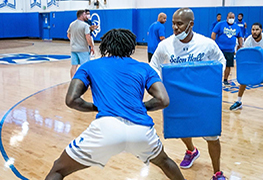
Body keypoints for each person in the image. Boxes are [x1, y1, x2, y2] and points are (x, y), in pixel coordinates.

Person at [45, 29, 185, 180]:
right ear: (131, 47)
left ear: (105, 46)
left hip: (106, 128)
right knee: (165, 162)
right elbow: (163, 100)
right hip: (141, 131)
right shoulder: (145, 67)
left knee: (58, 170)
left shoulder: (89, 66)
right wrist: (138, 107)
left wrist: (95, 107)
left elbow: (71, 100)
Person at [150, 8, 227, 180]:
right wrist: (160, 85)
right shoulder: (165, 45)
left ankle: (217, 172)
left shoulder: (206, 43)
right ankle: (191, 151)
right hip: (178, 97)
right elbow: (153, 65)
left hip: (203, 98)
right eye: (173, 24)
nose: (175, 28)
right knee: (181, 129)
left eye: (180, 24)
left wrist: (213, 83)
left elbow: (221, 61)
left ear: (191, 24)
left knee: (212, 136)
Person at [211, 12, 243, 87]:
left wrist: (240, 45)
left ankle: (225, 80)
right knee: (218, 65)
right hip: (220, 49)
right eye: (230, 17)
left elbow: (239, 37)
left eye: (233, 17)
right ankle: (215, 80)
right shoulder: (220, 24)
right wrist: (213, 43)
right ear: (227, 17)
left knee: (228, 66)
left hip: (230, 50)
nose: (231, 19)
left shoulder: (236, 27)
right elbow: (214, 33)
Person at [67, 10, 94, 78]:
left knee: (74, 66)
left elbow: (68, 35)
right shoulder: (85, 25)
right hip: (83, 49)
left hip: (73, 49)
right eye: (85, 14)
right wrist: (92, 46)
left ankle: (73, 80)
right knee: (85, 66)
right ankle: (85, 80)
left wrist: (74, 41)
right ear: (82, 15)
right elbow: (88, 37)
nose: (86, 16)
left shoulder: (72, 24)